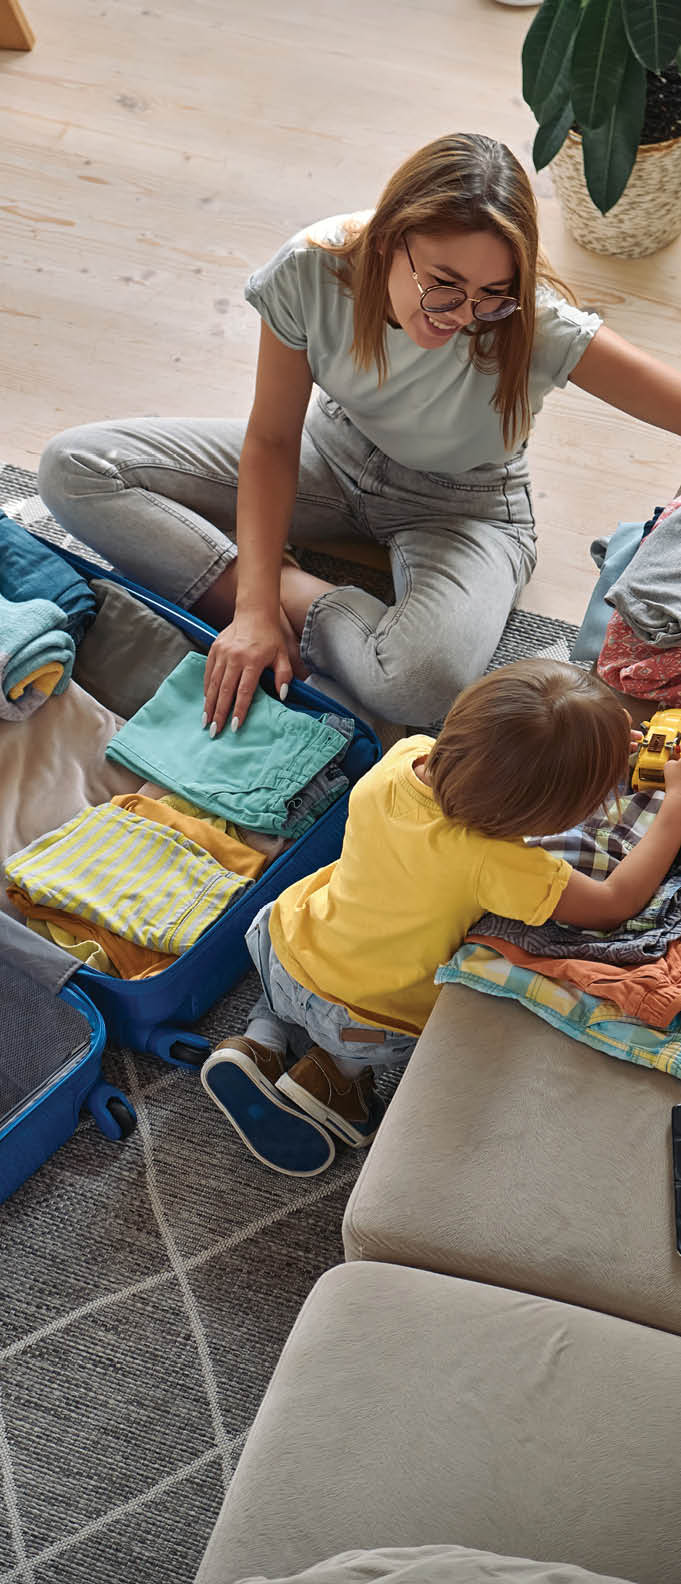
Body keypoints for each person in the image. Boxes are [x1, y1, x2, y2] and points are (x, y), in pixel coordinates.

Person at [38, 133, 681, 735]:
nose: (462, 316)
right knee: (75, 468)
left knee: (422, 684)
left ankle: (277, 583)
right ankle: (263, 586)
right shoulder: (312, 270)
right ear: (386, 240)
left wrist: (269, 598)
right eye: (443, 286)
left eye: (492, 295)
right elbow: (271, 440)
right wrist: (251, 610)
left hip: (465, 508)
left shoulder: (539, 324)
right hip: (330, 454)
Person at [199, 659, 681, 1177]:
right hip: (364, 1020)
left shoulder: (403, 758)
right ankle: (335, 1080)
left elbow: (513, 748)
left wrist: (594, 745)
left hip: (282, 944)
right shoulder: (500, 864)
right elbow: (615, 903)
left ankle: (259, 1042)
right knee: (370, 1031)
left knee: (295, 986)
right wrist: (674, 804)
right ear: (546, 818)